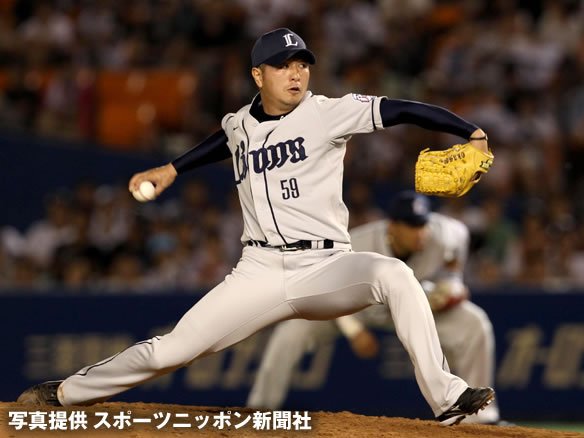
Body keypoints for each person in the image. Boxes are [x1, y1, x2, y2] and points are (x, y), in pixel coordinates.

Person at [18, 27, 494, 426]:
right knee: (168, 352)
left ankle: (446, 397)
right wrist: (173, 168)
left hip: (325, 265)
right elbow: (223, 139)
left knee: (393, 274)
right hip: (258, 271)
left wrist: (469, 132)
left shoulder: (327, 112)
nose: (296, 73)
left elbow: (403, 108)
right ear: (258, 75)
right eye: (283, 66)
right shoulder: (240, 123)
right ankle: (65, 393)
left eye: (302, 64)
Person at [247, 191, 502, 424]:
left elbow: (457, 251)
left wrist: (452, 285)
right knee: (290, 333)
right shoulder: (357, 243)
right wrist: (354, 331)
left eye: (422, 224)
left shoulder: (445, 233)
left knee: (474, 323)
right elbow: (327, 290)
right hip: (354, 308)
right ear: (392, 227)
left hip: (413, 308)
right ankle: (260, 409)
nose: (420, 232)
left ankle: (480, 419)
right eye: (411, 225)